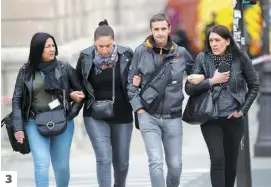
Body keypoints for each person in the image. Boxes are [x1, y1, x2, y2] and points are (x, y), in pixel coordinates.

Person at [185, 25, 259, 187]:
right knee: (218, 159)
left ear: (227, 41)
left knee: (231, 163)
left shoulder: (240, 58)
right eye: (211, 40)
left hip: (233, 119)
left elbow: (254, 86)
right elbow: (189, 89)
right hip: (210, 117)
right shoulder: (202, 58)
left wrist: (242, 110)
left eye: (217, 40)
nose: (214, 44)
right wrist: (211, 81)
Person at [127, 13, 194, 187]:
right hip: (148, 115)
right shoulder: (141, 51)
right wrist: (139, 109)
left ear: (169, 29)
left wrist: (197, 80)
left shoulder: (181, 53)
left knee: (175, 166)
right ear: (151, 30)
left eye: (163, 29)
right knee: (155, 162)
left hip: (173, 116)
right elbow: (130, 83)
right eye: (156, 29)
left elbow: (196, 73)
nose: (160, 33)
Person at [12, 32, 85, 187]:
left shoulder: (64, 68)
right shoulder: (25, 71)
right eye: (47, 47)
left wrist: (70, 114)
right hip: (34, 122)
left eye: (53, 45)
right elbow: (17, 99)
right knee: (42, 164)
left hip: (62, 121)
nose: (52, 49)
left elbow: (81, 92)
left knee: (62, 168)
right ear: (38, 50)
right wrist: (18, 127)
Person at [71, 20, 134, 187]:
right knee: (104, 158)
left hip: (122, 113)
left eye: (109, 46)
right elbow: (76, 82)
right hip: (94, 114)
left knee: (122, 162)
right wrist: (74, 94)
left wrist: (138, 82)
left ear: (114, 41)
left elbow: (136, 81)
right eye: (101, 46)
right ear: (94, 44)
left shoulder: (127, 54)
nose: (105, 50)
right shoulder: (85, 57)